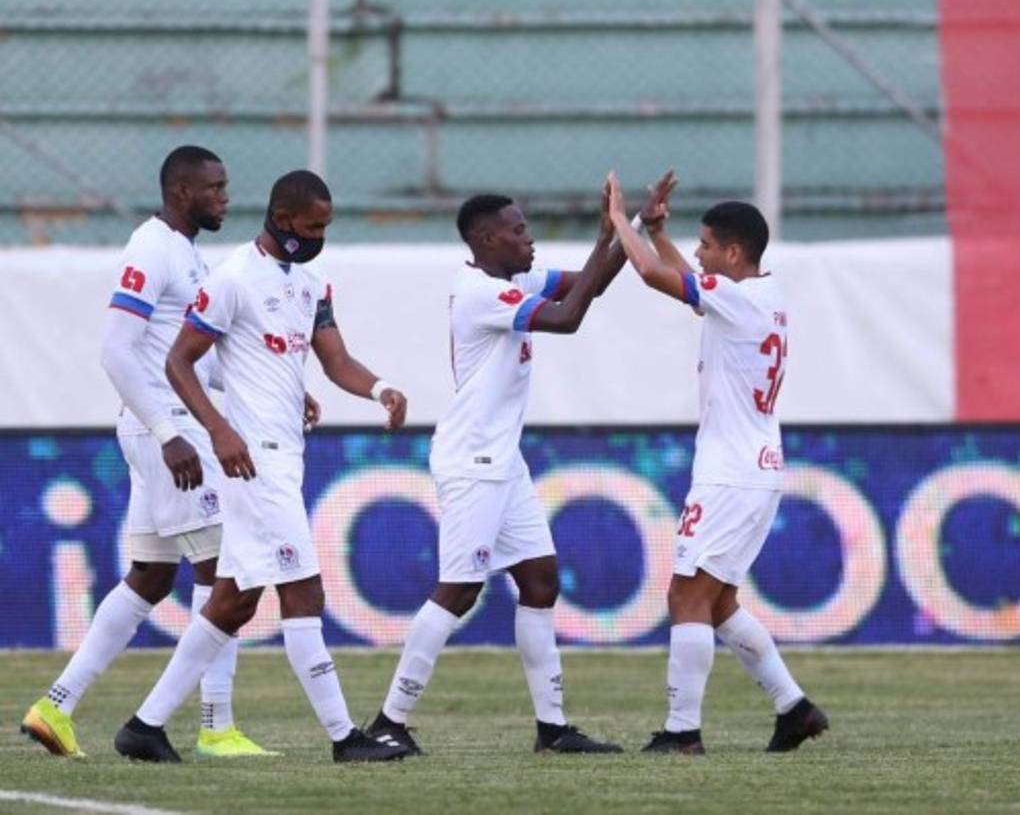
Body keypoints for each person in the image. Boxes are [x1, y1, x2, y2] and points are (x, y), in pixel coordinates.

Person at [111, 169, 409, 763]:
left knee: (234, 603)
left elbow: (335, 358)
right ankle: (345, 737)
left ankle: (143, 727)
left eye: (327, 225)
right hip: (254, 462)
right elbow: (179, 362)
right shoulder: (232, 280)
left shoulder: (314, 281)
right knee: (304, 592)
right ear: (282, 218)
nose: (321, 235)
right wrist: (219, 430)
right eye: (313, 225)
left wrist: (379, 389)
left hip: (285, 456)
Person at [363, 179, 663, 755]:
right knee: (458, 590)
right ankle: (388, 720)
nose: (529, 239)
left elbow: (588, 287)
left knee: (540, 580)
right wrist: (613, 234)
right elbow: (570, 317)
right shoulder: (480, 292)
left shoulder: (511, 280)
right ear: (484, 238)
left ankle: (551, 729)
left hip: (503, 460)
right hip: (473, 459)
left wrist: (629, 230)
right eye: (518, 229)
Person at [21, 145, 276, 759]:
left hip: (164, 430)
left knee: (152, 577)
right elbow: (116, 350)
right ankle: (215, 728)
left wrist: (272, 395)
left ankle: (55, 707)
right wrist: (169, 433)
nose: (225, 197)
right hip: (168, 436)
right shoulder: (152, 248)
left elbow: (189, 354)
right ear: (182, 191)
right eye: (214, 187)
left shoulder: (186, 252)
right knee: (230, 575)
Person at [606, 170, 828, 754]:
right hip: (755, 466)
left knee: (686, 597)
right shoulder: (764, 294)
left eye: (706, 244)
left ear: (733, 252)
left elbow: (658, 277)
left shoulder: (738, 301)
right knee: (719, 602)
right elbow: (689, 277)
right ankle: (794, 707)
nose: (699, 254)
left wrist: (619, 225)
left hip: (730, 473)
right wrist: (657, 232)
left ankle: (682, 733)